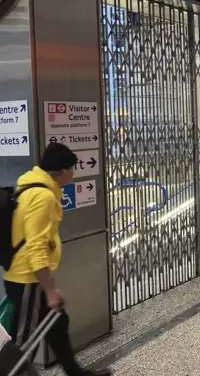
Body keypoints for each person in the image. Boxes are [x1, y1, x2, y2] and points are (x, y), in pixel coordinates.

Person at [3, 143, 111, 376]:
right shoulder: (42, 196)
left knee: (57, 324)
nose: (73, 175)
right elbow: (35, 246)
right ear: (61, 171)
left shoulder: (31, 184)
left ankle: (75, 372)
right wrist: (50, 289)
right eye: (72, 169)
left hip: (27, 277)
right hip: (27, 279)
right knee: (23, 340)